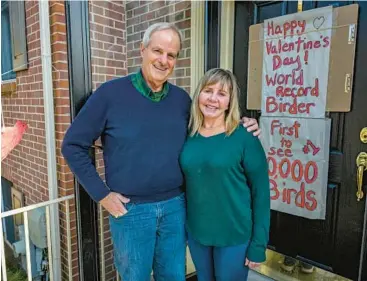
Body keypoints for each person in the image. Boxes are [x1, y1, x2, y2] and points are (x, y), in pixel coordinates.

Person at [62, 23, 261, 281]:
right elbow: (72, 145)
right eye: (157, 51)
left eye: (171, 55)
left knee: (174, 277)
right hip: (131, 211)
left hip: (176, 209)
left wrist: (245, 122)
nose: (164, 60)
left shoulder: (181, 100)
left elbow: (211, 122)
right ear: (142, 50)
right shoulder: (109, 95)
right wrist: (101, 194)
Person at [180, 68, 270, 281]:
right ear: (198, 95)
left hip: (234, 235)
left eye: (222, 94)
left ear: (230, 102)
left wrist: (258, 244)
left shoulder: (245, 137)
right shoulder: (187, 134)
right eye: (208, 91)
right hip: (197, 233)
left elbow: (261, 194)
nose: (212, 99)